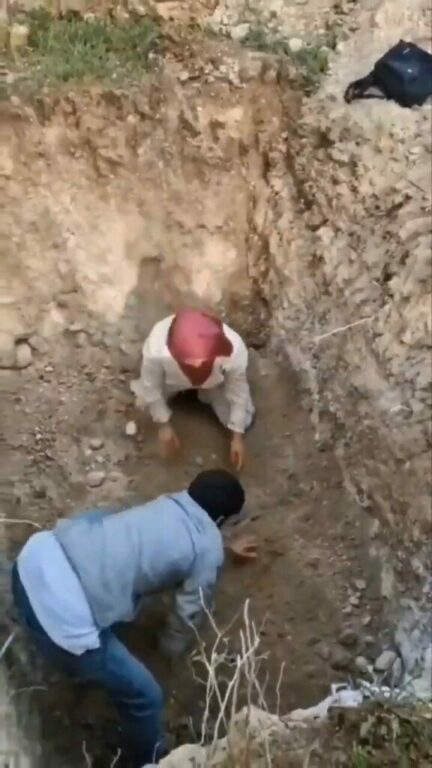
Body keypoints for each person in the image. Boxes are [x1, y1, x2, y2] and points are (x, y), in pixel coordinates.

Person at [11, 470, 254, 767]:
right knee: (146, 697)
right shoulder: (208, 549)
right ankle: (149, 761)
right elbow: (190, 610)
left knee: (104, 526)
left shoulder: (166, 503)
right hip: (61, 624)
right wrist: (170, 652)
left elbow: (172, 538)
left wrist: (218, 541)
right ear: (221, 520)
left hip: (31, 561)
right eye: (231, 524)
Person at [130, 308, 255, 470]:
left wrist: (237, 437)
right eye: (191, 361)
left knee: (244, 419)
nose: (197, 364)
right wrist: (163, 426)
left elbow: (238, 392)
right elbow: (151, 386)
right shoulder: (157, 349)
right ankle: (187, 395)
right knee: (145, 404)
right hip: (172, 380)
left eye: (203, 361)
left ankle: (205, 394)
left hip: (214, 383)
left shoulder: (233, 348)